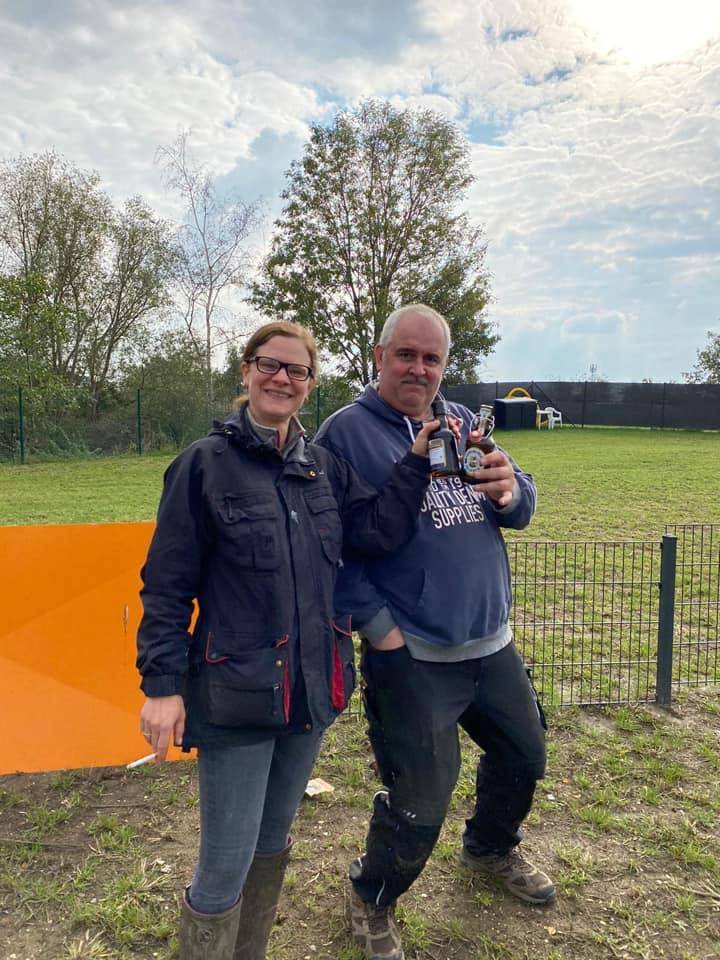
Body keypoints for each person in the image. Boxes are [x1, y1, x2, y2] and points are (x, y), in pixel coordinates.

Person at [136, 320, 438, 960]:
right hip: (237, 697)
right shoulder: (202, 466)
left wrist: (415, 461)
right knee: (223, 867)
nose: (282, 378)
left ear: (310, 384)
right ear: (246, 371)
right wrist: (162, 686)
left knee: (272, 841)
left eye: (296, 370)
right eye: (269, 364)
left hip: (310, 692)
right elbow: (166, 585)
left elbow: (377, 531)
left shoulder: (323, 467)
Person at [315, 304, 553, 960]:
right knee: (421, 798)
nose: (419, 369)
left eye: (432, 358)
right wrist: (380, 629)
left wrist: (511, 492)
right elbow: (333, 549)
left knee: (524, 756)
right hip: (412, 653)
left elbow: (520, 501)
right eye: (406, 355)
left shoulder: (461, 421)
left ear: (445, 365)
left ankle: (490, 849)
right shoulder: (345, 435)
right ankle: (372, 895)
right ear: (379, 356)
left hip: (489, 641)